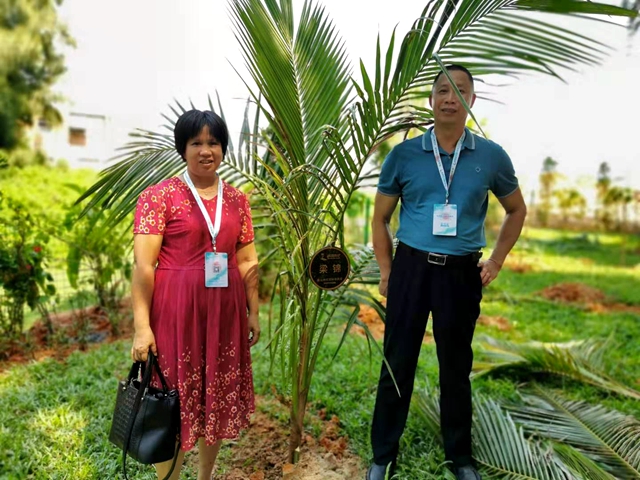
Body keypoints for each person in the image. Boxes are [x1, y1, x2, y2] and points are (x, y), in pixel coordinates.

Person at [367, 65, 527, 480]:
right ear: (431, 100)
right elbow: (380, 218)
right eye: (442, 90)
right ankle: (382, 455)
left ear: (471, 101)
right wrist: (387, 271)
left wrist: (495, 261)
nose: (450, 97)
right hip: (411, 269)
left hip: (460, 274)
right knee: (397, 362)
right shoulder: (404, 155)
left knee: (455, 366)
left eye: (460, 90)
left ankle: (461, 458)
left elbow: (516, 210)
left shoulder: (491, 156)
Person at [130, 109, 260, 480]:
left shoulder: (238, 200)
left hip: (225, 314)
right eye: (197, 143)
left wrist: (253, 311)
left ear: (224, 148)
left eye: (214, 143)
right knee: (169, 401)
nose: (206, 150)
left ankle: (205, 477)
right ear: (182, 148)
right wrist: (142, 328)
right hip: (175, 314)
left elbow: (248, 258)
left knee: (214, 397)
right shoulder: (159, 197)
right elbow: (143, 267)